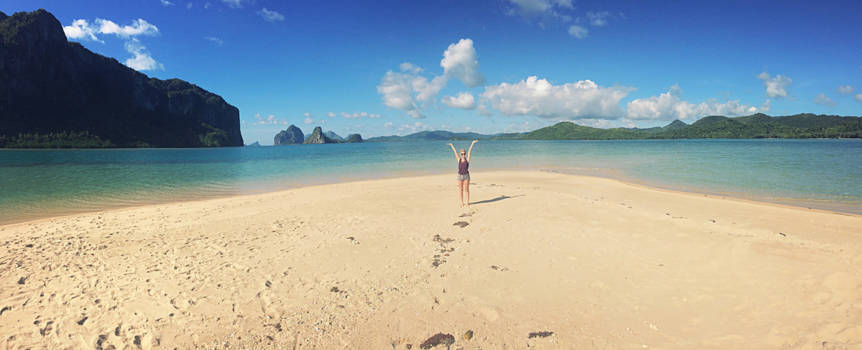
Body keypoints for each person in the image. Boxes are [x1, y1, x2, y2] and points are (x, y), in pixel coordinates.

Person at [448, 140, 477, 207]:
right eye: (462, 154)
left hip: (466, 176)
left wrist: (472, 143)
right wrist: (452, 146)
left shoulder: (467, 160)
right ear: (460, 154)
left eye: (464, 154)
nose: (463, 155)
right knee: (460, 190)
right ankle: (461, 203)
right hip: (459, 176)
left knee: (466, 190)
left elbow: (470, 151)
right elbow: (455, 152)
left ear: (465, 154)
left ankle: (467, 203)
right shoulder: (459, 160)